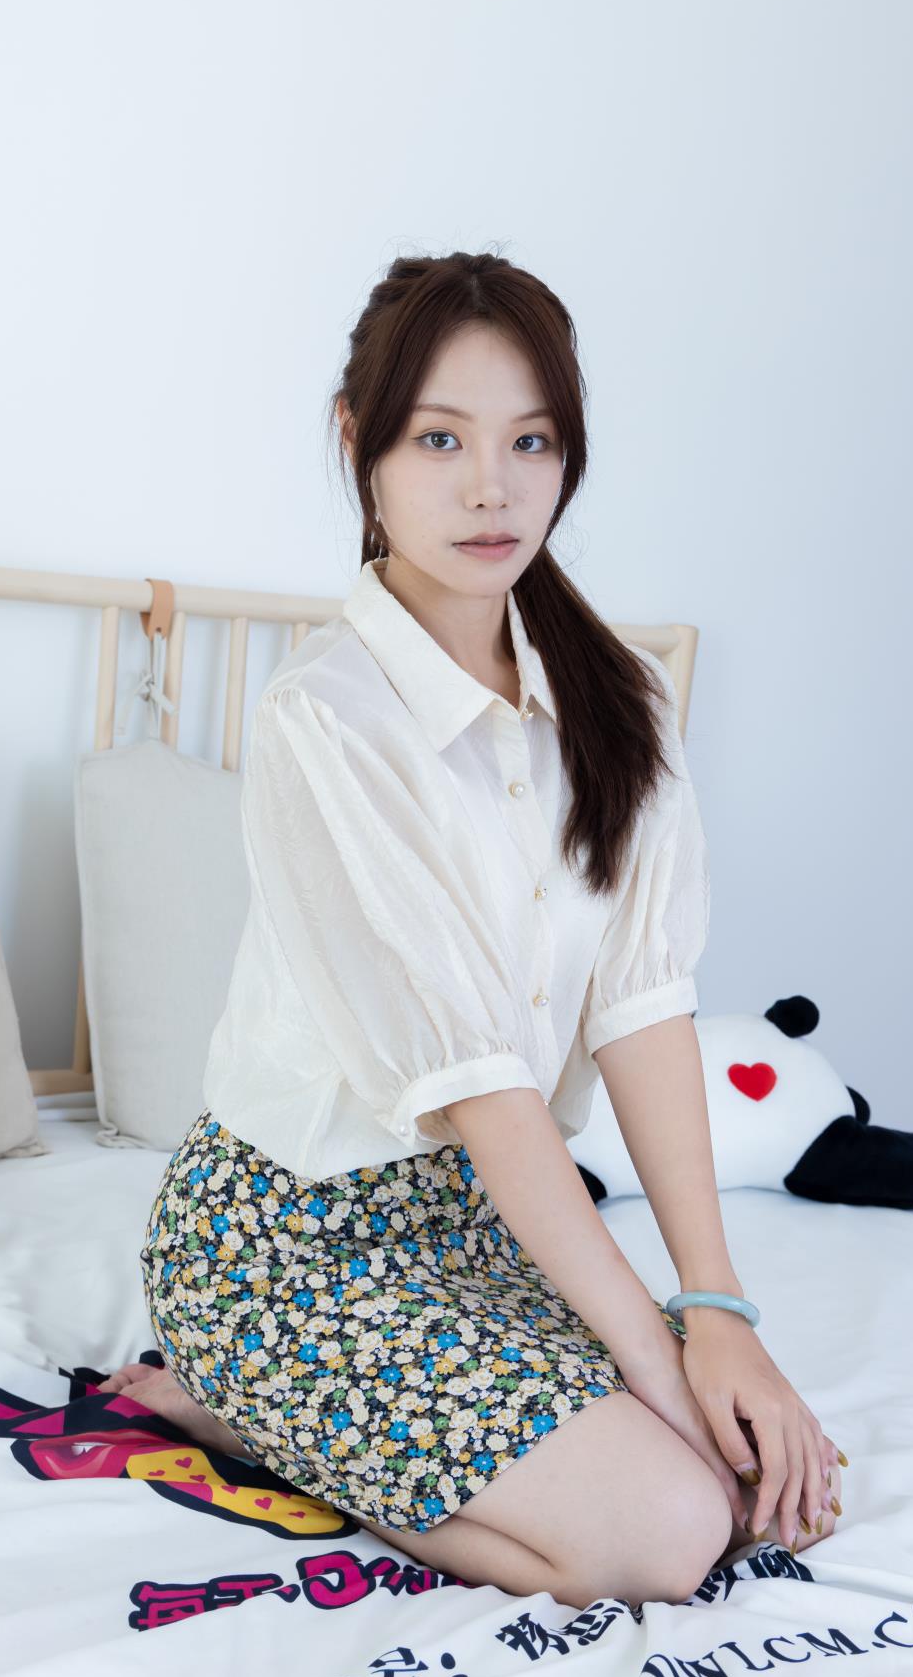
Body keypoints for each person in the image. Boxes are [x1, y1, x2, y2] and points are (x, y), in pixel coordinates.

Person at [99, 250, 846, 1607]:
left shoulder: (619, 699)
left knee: (766, 1498)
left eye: (530, 441)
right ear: (359, 443)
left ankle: (324, 1430)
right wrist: (660, 1375)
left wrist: (716, 1313)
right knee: (672, 1528)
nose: (491, 487)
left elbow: (643, 1005)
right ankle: (247, 1412)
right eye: (440, 439)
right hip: (285, 1242)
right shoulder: (326, 717)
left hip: (481, 1224)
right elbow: (488, 1093)